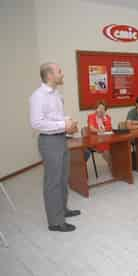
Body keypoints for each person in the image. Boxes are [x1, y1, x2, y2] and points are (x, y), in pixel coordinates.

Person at [30, 62, 80, 232]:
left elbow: (57, 117)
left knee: (63, 178)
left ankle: (62, 210)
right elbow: (37, 123)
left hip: (60, 139)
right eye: (59, 71)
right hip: (49, 141)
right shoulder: (38, 96)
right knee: (53, 182)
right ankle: (55, 221)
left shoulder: (56, 94)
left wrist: (69, 123)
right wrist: (63, 124)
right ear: (50, 75)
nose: (62, 74)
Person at [87, 100, 112, 168]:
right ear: (96, 108)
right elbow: (91, 128)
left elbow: (109, 128)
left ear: (105, 110)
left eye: (103, 108)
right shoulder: (91, 116)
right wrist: (99, 130)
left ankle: (115, 163)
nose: (101, 110)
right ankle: (111, 165)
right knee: (105, 147)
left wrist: (105, 120)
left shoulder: (107, 117)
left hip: (106, 139)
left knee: (117, 146)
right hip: (95, 140)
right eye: (99, 108)